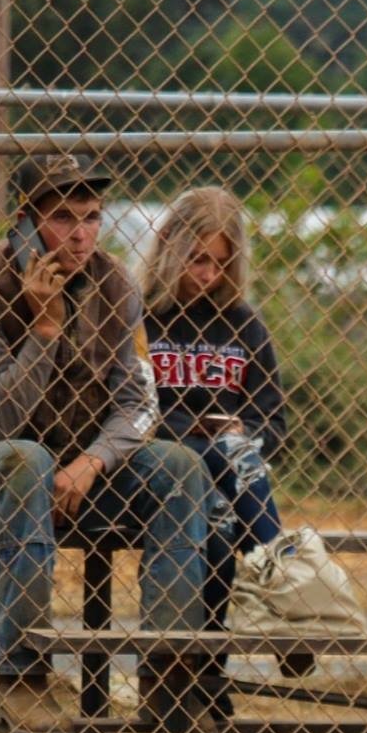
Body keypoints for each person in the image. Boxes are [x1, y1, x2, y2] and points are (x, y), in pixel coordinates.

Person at [0, 154, 217, 733]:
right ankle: (23, 680)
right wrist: (45, 329)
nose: (81, 234)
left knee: (181, 467)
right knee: (24, 459)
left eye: (91, 217)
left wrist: (91, 462)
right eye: (62, 217)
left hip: (74, 478)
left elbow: (139, 402)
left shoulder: (116, 283)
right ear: (26, 221)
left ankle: (170, 682)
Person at [142, 186, 287, 564]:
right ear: (167, 246)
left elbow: (271, 422)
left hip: (232, 471)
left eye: (222, 263)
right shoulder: (137, 316)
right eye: (196, 259)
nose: (209, 275)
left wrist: (242, 433)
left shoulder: (244, 323)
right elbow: (128, 411)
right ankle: (281, 567)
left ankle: (214, 623)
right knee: (225, 464)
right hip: (159, 461)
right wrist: (196, 431)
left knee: (220, 519)